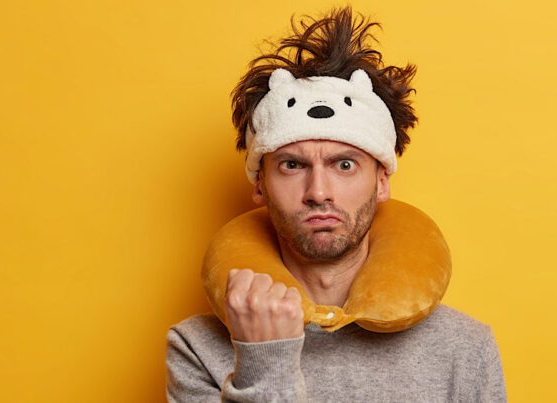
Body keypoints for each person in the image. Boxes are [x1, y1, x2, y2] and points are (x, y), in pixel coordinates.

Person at [166, 6, 507, 402]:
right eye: (292, 165)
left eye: (344, 165)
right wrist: (265, 360)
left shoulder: (465, 350)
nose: (318, 191)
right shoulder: (196, 348)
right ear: (260, 183)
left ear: (381, 180)